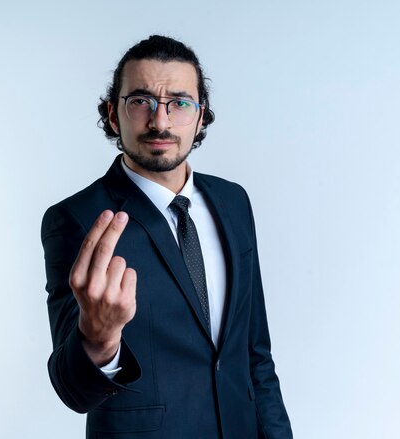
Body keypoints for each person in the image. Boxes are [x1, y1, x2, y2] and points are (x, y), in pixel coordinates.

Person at [41, 35, 293, 439]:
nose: (161, 121)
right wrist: (99, 337)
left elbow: (255, 356)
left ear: (201, 115)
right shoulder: (77, 219)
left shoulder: (233, 201)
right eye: (141, 101)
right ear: (112, 114)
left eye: (179, 103)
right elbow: (75, 392)